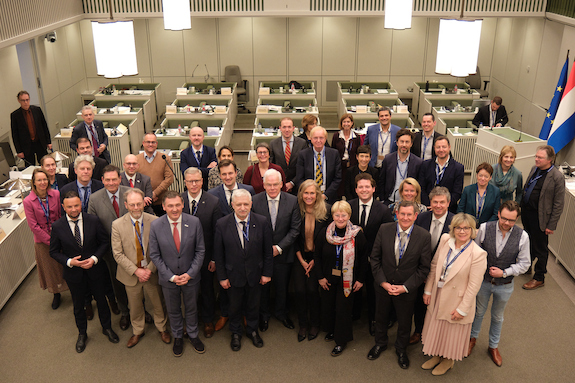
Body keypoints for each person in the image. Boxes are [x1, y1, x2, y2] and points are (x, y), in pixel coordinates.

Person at [49, 191, 119, 353]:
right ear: (63, 207)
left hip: (96, 270)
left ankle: (107, 328)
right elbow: (53, 251)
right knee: (79, 305)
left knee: (102, 301)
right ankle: (82, 333)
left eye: (76, 205)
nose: (74, 209)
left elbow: (104, 242)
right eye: (69, 207)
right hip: (74, 274)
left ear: (81, 204)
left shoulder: (93, 220)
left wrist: (94, 258)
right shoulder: (57, 226)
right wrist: (69, 262)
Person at [420, 213, 487, 376]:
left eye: (466, 228)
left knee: (450, 332)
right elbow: (435, 265)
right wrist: (428, 289)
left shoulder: (478, 254)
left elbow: (474, 285)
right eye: (458, 227)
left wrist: (463, 309)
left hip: (457, 299)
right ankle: (436, 354)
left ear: (472, 230)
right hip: (438, 292)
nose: (462, 231)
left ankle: (448, 360)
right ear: (453, 229)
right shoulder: (445, 240)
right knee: (436, 326)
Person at [367, 201, 431, 369]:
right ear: (396, 214)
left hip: (406, 289)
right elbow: (374, 259)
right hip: (383, 286)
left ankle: (401, 349)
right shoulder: (384, 229)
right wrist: (383, 282)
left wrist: (405, 287)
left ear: (416, 216)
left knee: (404, 322)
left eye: (409, 214)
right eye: (402, 214)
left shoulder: (424, 236)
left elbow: (424, 268)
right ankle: (380, 343)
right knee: (380, 318)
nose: (405, 217)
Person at [469, 201, 530, 366]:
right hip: (483, 281)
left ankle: (493, 346)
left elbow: (525, 264)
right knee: (478, 312)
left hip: (505, 285)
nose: (506, 223)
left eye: (511, 220)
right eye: (504, 218)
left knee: (497, 317)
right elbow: (474, 253)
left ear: (517, 219)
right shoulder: (484, 228)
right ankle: (471, 339)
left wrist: (504, 272)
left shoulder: (523, 236)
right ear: (498, 214)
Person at [213, 189, 273, 352]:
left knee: (253, 305)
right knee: (234, 306)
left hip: (256, 274)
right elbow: (218, 254)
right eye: (238, 204)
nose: (242, 208)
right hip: (233, 275)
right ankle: (235, 333)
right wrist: (222, 277)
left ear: (251, 204)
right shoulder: (222, 224)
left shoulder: (262, 222)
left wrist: (267, 273)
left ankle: (252, 330)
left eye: (246, 204)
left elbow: (268, 251)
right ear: (232, 205)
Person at [111, 189, 171, 348]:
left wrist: (149, 269)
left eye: (139, 203)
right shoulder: (117, 225)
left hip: (152, 271)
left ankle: (162, 328)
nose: (136, 207)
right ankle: (138, 330)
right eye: (132, 204)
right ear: (126, 205)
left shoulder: (156, 221)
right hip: (131, 274)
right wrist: (136, 271)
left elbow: (161, 250)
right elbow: (117, 254)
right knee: (135, 306)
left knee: (159, 303)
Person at [148, 191, 206, 357]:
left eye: (177, 205)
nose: (174, 209)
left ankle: (193, 335)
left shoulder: (194, 222)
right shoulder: (156, 225)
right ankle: (178, 336)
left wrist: (190, 273)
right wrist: (171, 276)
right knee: (173, 310)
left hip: (191, 277)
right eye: (170, 206)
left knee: (191, 308)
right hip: (169, 278)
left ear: (183, 205)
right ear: (164, 207)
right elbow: (155, 255)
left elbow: (200, 250)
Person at [315, 201, 367, 357]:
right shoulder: (325, 233)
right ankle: (332, 330)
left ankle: (341, 341)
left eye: (343, 215)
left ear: (349, 216)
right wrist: (320, 277)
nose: (340, 218)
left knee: (343, 309)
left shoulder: (357, 234)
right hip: (329, 277)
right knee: (329, 305)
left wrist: (361, 279)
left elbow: (364, 259)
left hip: (348, 279)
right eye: (337, 215)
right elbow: (317, 256)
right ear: (332, 216)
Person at [252, 169, 301, 333]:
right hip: (261, 254)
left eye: (275, 185)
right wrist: (266, 249)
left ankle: (281, 313)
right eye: (269, 184)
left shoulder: (293, 201)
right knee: (263, 288)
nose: (272, 188)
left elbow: (295, 230)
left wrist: (278, 248)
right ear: (263, 185)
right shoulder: (254, 201)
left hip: (283, 253)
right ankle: (264, 316)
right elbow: (252, 229)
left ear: (282, 184)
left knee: (282, 288)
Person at [348, 173, 393, 335]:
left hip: (375, 259)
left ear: (373, 189)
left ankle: (374, 320)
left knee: (374, 292)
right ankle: (354, 315)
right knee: (354, 288)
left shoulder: (383, 210)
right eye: (361, 187)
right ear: (356, 189)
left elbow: (388, 237)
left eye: (367, 187)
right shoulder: (348, 207)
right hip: (352, 258)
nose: (364, 190)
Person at [87, 165, 131, 331]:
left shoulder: (130, 192)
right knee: (117, 282)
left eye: (115, 179)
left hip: (133, 247)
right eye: (108, 180)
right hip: (111, 251)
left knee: (136, 281)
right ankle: (125, 312)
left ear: (120, 179)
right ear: (102, 180)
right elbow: (93, 226)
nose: (112, 183)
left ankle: (140, 310)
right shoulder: (94, 199)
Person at [181, 167, 222, 338]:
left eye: (197, 180)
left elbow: (217, 233)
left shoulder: (213, 201)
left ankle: (207, 320)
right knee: (187, 290)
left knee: (206, 289)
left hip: (206, 256)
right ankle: (189, 321)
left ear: (202, 181)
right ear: (185, 182)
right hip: (183, 256)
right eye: (190, 181)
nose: (194, 184)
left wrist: (214, 258)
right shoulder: (179, 200)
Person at [410, 186, 455, 345]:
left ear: (448, 203)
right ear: (430, 202)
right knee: (419, 304)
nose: (438, 205)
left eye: (442, 202)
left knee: (438, 305)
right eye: (435, 202)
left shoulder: (455, 223)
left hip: (443, 274)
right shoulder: (421, 218)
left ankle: (435, 335)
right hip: (420, 270)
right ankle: (418, 331)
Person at [23, 169, 68, 309]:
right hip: (42, 241)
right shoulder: (28, 201)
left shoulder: (55, 194)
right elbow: (33, 226)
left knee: (65, 265)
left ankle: (72, 288)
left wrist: (60, 236)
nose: (43, 182)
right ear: (34, 182)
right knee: (50, 269)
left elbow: (61, 216)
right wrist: (51, 241)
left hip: (59, 235)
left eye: (45, 179)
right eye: (39, 180)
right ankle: (56, 294)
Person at [521, 145, 565, 290]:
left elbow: (558, 204)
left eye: (540, 157)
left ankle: (539, 277)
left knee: (541, 248)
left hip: (541, 218)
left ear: (550, 160)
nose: (536, 159)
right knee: (528, 241)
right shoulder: (535, 169)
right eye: (536, 156)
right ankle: (527, 265)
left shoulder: (557, 177)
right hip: (528, 214)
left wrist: (551, 225)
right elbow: (527, 187)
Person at [293, 180, 331, 342]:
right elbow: (293, 237)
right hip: (300, 257)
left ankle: (315, 324)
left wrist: (314, 261)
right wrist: (302, 261)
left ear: (318, 195)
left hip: (318, 259)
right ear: (301, 194)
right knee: (300, 290)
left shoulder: (326, 212)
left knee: (313, 290)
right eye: (306, 193)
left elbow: (327, 240)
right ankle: (303, 324)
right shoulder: (296, 211)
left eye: (312, 193)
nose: (309, 196)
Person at [295, 126, 342, 202]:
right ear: (310, 138)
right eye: (315, 138)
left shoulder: (334, 154)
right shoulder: (303, 155)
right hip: (308, 197)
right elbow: (299, 178)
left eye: (321, 138)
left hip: (328, 197)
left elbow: (337, 178)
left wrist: (325, 195)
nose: (318, 140)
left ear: (325, 138)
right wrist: (309, 194)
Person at [419, 136, 464, 212]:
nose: (441, 150)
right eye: (438, 147)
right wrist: (431, 205)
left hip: (448, 209)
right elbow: (421, 188)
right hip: (428, 208)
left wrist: (443, 205)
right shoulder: (425, 165)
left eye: (444, 147)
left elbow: (457, 192)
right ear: (434, 148)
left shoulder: (458, 168)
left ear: (449, 147)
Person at [378, 128, 422, 205]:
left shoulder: (418, 162)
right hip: (389, 201)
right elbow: (381, 181)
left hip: (409, 203)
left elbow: (420, 185)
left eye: (407, 142)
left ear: (411, 144)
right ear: (397, 142)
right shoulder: (388, 159)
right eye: (402, 141)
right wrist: (382, 200)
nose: (404, 145)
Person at [136, 133, 174, 216]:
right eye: (148, 142)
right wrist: (148, 196)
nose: (150, 144)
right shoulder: (137, 159)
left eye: (153, 142)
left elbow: (169, 179)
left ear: (156, 144)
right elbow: (135, 180)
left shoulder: (165, 158)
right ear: (143, 143)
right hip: (143, 202)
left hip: (161, 201)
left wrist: (155, 193)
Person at [10, 90, 52, 166]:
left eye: (27, 100)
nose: (26, 102)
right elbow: (15, 135)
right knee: (29, 166)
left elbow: (44, 126)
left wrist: (48, 141)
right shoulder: (15, 115)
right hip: (26, 146)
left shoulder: (37, 110)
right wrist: (19, 151)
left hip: (40, 142)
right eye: (23, 100)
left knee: (45, 163)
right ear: (19, 101)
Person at [269, 117, 307, 193]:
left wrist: (292, 183)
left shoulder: (302, 143)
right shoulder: (273, 144)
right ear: (280, 128)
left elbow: (305, 166)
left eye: (289, 127)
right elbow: (271, 165)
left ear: (293, 128)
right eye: (284, 127)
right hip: (278, 185)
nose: (287, 130)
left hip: (297, 186)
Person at [457, 162, 500, 227]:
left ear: (490, 177)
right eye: (480, 175)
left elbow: (496, 213)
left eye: (486, 176)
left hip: (487, 227)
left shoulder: (496, 191)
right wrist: (465, 224)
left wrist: (484, 227)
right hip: (467, 226)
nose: (483, 178)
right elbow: (460, 209)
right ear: (476, 175)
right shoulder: (467, 190)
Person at [332, 113, 361, 198]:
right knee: (340, 189)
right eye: (344, 122)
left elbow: (358, 152)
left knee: (350, 187)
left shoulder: (356, 137)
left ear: (352, 123)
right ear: (341, 123)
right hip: (340, 166)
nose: (346, 124)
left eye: (348, 122)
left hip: (352, 166)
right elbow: (333, 151)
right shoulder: (336, 136)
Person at [180, 126, 218, 190]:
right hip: (191, 189)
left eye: (199, 135)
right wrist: (206, 169)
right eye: (194, 135)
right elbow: (185, 172)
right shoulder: (184, 154)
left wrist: (192, 170)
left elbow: (214, 172)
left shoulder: (211, 151)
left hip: (208, 188)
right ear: (190, 137)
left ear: (203, 137)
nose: (196, 138)